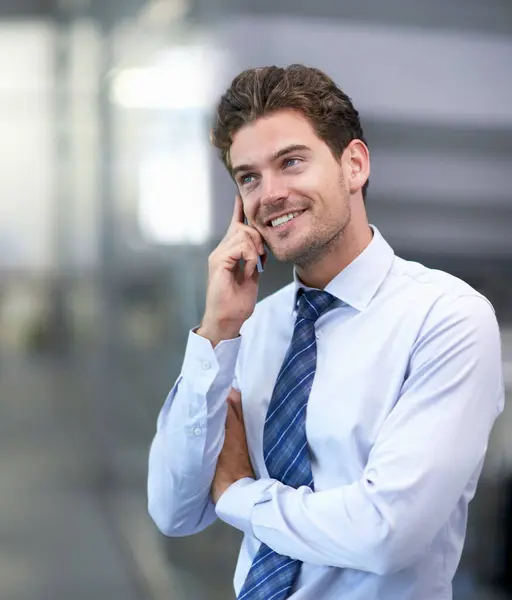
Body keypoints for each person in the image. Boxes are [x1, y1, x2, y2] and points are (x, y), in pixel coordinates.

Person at [147, 64, 504, 599]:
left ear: (354, 164)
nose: (269, 194)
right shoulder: (252, 328)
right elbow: (174, 511)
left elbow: (386, 533)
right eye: (249, 177)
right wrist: (218, 329)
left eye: (290, 162)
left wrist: (240, 492)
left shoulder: (446, 318)